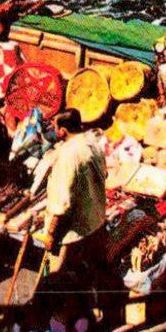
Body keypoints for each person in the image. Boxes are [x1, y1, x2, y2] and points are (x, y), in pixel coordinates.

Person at [41, 112, 107, 290]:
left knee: (58, 280)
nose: (54, 131)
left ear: (63, 130)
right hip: (95, 218)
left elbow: (62, 203)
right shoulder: (92, 142)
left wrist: (50, 233)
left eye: (55, 128)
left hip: (74, 232)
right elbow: (104, 173)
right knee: (87, 276)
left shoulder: (69, 155)